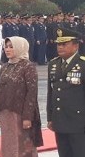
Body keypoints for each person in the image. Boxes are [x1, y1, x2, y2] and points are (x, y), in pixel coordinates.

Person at [0, 36, 43, 157]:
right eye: (6, 46)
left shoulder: (28, 66)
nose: (7, 49)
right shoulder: (5, 67)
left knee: (23, 146)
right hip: (5, 114)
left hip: (21, 114)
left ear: (20, 48)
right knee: (8, 145)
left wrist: (28, 117)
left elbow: (31, 93)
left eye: (11, 47)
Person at [47, 27, 85, 157]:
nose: (60, 47)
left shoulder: (83, 64)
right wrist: (50, 117)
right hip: (60, 120)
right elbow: (50, 93)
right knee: (64, 153)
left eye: (64, 44)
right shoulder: (53, 64)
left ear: (76, 45)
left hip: (79, 121)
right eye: (58, 44)